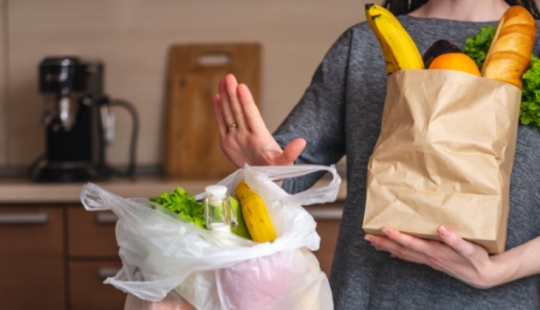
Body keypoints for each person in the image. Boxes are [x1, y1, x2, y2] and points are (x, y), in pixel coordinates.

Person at [211, 0, 540, 309]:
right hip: (370, 296)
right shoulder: (365, 44)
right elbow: (289, 172)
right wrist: (264, 171)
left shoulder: (533, 45)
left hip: (510, 299)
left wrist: (499, 270)